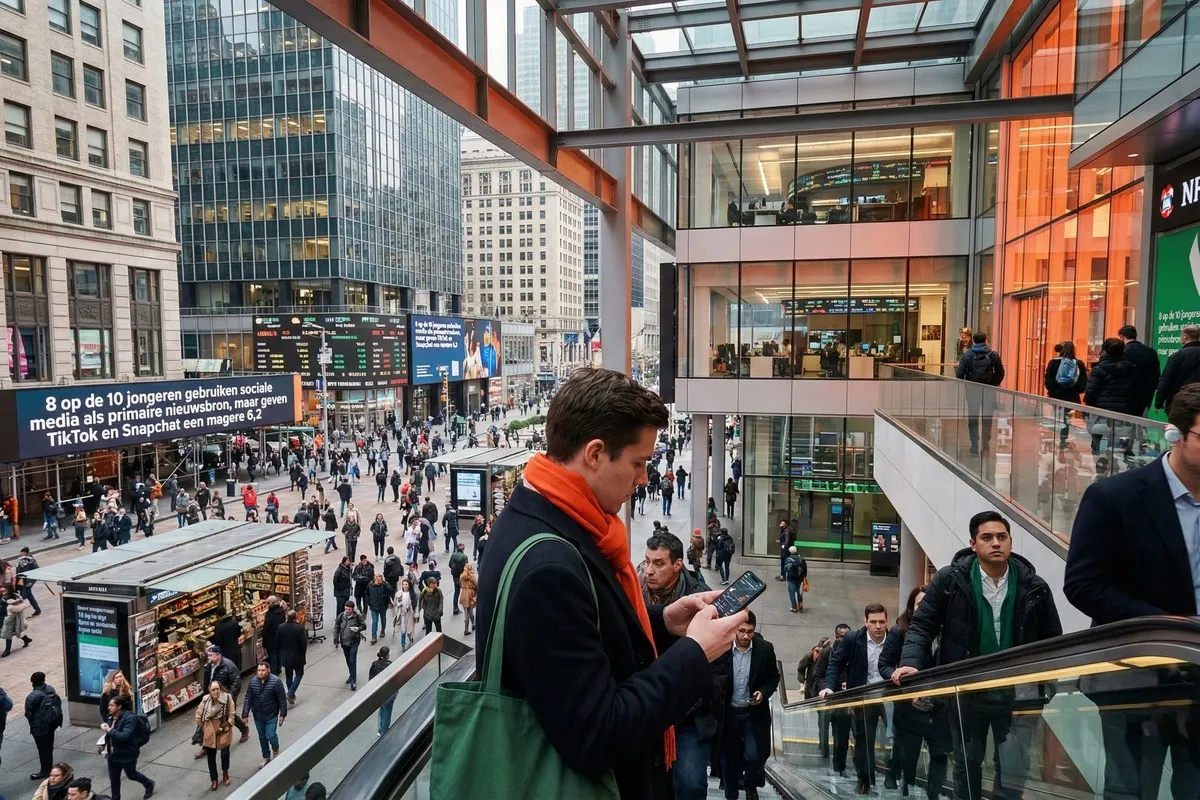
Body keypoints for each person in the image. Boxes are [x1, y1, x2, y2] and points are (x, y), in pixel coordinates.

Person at [470, 368, 745, 798]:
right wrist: (694, 652)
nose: (642, 479)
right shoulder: (550, 567)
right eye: (638, 463)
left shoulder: (547, 514)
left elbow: (584, 633)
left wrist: (661, 622)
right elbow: (597, 734)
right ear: (595, 453)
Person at [1066, 384, 1200, 797]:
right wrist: (1162, 626)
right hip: (1134, 680)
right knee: (1132, 791)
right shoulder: (1115, 497)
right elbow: (1084, 584)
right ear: (1176, 434)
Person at [893, 511, 1063, 800]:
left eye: (1002, 537)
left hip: (1019, 696)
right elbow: (922, 624)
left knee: (1013, 767)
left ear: (1010, 541)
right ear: (973, 544)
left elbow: (1053, 640)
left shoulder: (1033, 586)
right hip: (966, 695)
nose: (996, 543)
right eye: (987, 537)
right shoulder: (951, 580)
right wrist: (910, 663)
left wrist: (1048, 683)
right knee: (966, 763)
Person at [635, 530, 716, 800]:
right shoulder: (633, 591)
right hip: (643, 705)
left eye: (658, 563)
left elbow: (718, 663)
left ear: (677, 565)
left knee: (690, 786)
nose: (649, 570)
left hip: (687, 715)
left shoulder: (700, 598)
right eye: (647, 561)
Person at [878, 586, 949, 799]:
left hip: (940, 705)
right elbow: (885, 664)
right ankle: (898, 779)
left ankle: (933, 793)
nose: (926, 608)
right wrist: (898, 676)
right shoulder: (900, 632)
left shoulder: (949, 632)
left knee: (940, 752)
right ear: (911, 608)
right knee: (907, 749)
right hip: (909, 704)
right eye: (920, 604)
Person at [819, 603, 890, 794]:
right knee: (863, 737)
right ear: (865, 621)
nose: (877, 626)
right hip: (862, 695)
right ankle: (865, 778)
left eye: (881, 622)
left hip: (888, 695)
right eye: (873, 622)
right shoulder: (853, 638)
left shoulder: (894, 639)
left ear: (887, 622)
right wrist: (828, 687)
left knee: (896, 735)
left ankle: (892, 776)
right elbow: (835, 662)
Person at [717, 611, 779, 800]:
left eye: (750, 632)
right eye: (742, 631)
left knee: (755, 756)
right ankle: (731, 794)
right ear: (734, 629)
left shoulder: (765, 649)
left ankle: (751, 785)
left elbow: (773, 677)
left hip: (753, 714)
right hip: (729, 714)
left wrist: (762, 692)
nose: (745, 636)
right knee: (729, 759)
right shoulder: (722, 647)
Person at [955, 331, 1005, 455]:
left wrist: (968, 382)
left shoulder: (967, 355)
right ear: (986, 340)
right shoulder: (993, 355)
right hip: (989, 391)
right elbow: (1000, 373)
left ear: (974, 341)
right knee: (987, 417)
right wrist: (992, 384)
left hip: (972, 391)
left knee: (973, 417)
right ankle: (986, 446)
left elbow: (959, 374)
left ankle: (974, 446)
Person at [196, 646, 249, 758]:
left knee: (229, 716)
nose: (208, 658)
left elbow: (236, 683)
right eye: (208, 655)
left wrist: (229, 697)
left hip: (225, 696)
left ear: (218, 654)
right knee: (208, 719)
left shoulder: (229, 666)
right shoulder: (209, 665)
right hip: (211, 696)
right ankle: (206, 746)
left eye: (211, 655)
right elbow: (207, 681)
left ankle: (244, 729)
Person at [102, 694, 155, 799]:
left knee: (131, 774)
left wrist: (109, 730)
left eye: (111, 705)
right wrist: (105, 748)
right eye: (109, 705)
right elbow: (111, 735)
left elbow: (124, 736)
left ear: (119, 706)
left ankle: (149, 784)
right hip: (113, 754)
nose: (109, 707)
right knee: (114, 779)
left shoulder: (130, 718)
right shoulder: (111, 716)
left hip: (127, 754)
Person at [241, 661, 287, 769]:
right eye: (259, 670)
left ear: (268, 670)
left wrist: (282, 714)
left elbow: (282, 699)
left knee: (271, 735)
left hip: (271, 715)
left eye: (263, 670)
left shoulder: (276, 682)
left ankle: (275, 751)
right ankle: (266, 756)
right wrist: (245, 714)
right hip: (258, 715)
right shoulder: (253, 682)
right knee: (262, 737)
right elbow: (248, 698)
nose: (260, 673)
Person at [194, 680, 236, 790]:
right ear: (210, 691)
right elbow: (199, 714)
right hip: (209, 730)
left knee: (225, 755)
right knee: (211, 757)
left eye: (217, 689)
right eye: (213, 690)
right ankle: (214, 779)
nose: (216, 691)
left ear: (220, 688)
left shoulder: (227, 698)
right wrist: (201, 727)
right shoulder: (205, 700)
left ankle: (225, 773)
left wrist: (226, 725)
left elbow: (232, 714)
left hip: (223, 728)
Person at [1044, 340, 1087, 443]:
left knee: (1058, 417)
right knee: (1067, 417)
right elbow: (1083, 381)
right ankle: (1064, 437)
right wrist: (1077, 390)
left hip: (1057, 396)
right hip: (1072, 396)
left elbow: (1048, 379)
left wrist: (1052, 390)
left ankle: (1059, 437)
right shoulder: (1079, 363)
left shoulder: (1053, 362)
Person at [26, 672, 63, 780]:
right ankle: (48, 768)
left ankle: (45, 771)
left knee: (42, 749)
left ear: (32, 682)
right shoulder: (50, 689)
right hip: (51, 724)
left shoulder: (32, 696)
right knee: (48, 747)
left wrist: (32, 722)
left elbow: (28, 713)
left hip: (39, 727)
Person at [1156, 323, 1200, 413]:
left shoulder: (1177, 356)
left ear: (1185, 337)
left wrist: (1159, 401)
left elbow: (1166, 380)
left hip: (1180, 402)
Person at [1118, 324, 1160, 415]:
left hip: (1126, 394)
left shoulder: (1122, 352)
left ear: (1122, 336)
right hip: (1146, 393)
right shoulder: (1151, 351)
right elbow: (1156, 374)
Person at [276, 610, 308, 705]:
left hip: (285, 656)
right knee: (299, 674)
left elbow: (277, 642)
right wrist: (303, 653)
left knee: (288, 675)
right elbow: (303, 643)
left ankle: (291, 693)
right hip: (297, 655)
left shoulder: (280, 627)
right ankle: (290, 693)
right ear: (295, 617)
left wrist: (281, 652)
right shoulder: (299, 628)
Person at [98, 671, 132, 754]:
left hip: (124, 716)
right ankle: (107, 747)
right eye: (116, 677)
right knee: (114, 734)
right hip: (113, 718)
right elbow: (102, 708)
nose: (119, 679)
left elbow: (129, 706)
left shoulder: (126, 689)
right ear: (112, 679)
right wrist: (107, 720)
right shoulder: (108, 692)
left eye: (120, 677)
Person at [334, 601, 366, 690]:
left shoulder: (357, 617)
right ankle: (351, 675)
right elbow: (336, 627)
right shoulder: (341, 616)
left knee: (352, 660)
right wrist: (335, 639)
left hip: (354, 642)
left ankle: (353, 680)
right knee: (348, 660)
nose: (347, 611)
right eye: (346, 609)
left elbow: (364, 626)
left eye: (349, 609)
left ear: (352, 609)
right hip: (344, 642)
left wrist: (358, 629)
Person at [368, 646, 395, 736]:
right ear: (387, 655)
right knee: (388, 711)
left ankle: (380, 729)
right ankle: (384, 731)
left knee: (382, 709)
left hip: (379, 691)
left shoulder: (374, 664)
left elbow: (371, 678)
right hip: (389, 691)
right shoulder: (390, 665)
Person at [1, 583, 33, 656]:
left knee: (8, 632)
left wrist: (8, 616)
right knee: (15, 631)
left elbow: (18, 608)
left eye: (4, 590)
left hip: (11, 618)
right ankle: (27, 639)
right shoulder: (3, 596)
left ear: (9, 590)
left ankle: (7, 649)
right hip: (3, 616)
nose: (3, 592)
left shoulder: (14, 598)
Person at [366, 573, 394, 644]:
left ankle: (382, 630)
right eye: (378, 579)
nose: (379, 580)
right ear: (375, 578)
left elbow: (390, 591)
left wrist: (386, 584)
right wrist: (369, 603)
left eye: (381, 579)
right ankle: (374, 636)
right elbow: (366, 594)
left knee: (383, 619)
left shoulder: (384, 585)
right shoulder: (370, 585)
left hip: (383, 606)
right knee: (375, 621)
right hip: (373, 606)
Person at [262, 596, 286, 677]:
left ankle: (274, 673)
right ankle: (278, 668)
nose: (267, 605)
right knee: (278, 653)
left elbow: (266, 628)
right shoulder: (281, 611)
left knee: (272, 655)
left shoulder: (270, 614)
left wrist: (263, 635)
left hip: (271, 638)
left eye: (268, 603)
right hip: (279, 636)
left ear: (272, 603)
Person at [15, 546, 41, 616]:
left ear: (26, 553)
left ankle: (18, 613)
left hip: (28, 581)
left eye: (22, 553)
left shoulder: (31, 560)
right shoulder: (21, 559)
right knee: (29, 596)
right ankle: (37, 609)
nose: (21, 554)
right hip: (22, 580)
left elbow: (36, 569)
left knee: (22, 597)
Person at [393, 577, 419, 649]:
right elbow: (395, 604)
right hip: (401, 614)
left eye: (406, 584)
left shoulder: (413, 594)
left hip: (410, 614)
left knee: (409, 628)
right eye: (403, 584)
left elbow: (416, 605)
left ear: (409, 585)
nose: (404, 586)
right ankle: (403, 643)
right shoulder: (398, 594)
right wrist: (396, 613)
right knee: (403, 629)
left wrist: (416, 614)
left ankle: (410, 635)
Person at [783, 545, 807, 613]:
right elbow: (805, 568)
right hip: (800, 578)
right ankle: (800, 604)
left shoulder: (788, 559)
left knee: (791, 593)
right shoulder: (801, 558)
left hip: (792, 579)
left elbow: (786, 569)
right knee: (798, 591)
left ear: (790, 551)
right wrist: (804, 576)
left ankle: (794, 607)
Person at [448, 543, 468, 613]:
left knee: (456, 592)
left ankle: (455, 608)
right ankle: (466, 605)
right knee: (465, 591)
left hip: (455, 576)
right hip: (462, 576)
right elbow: (466, 567)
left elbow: (450, 565)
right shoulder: (465, 557)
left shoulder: (453, 555)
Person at [459, 562, 478, 636]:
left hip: (463, 593)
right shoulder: (472, 576)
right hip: (470, 594)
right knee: (470, 611)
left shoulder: (462, 576)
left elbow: (460, 584)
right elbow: (477, 585)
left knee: (466, 611)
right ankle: (470, 626)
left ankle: (468, 627)